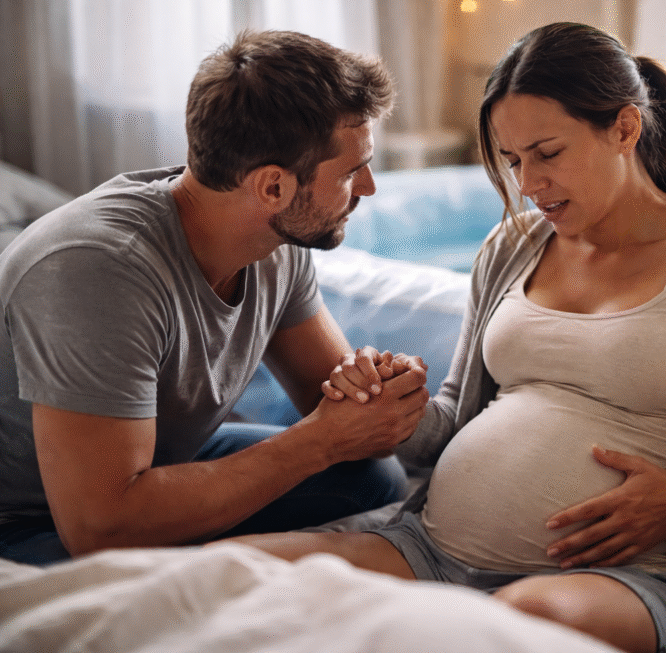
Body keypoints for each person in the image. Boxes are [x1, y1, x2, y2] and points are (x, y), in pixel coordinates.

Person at [225, 23, 666, 653]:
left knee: (512, 623)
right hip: (428, 549)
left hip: (634, 579)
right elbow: (451, 420)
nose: (528, 185)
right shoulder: (512, 247)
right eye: (513, 161)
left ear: (624, 128)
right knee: (231, 576)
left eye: (548, 153)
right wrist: (395, 412)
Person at [0, 29, 430, 566]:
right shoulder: (96, 268)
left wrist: (375, 390)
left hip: (147, 463)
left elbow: (342, 417)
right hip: (33, 517)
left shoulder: (277, 241)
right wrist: (319, 441)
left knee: (371, 477)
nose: (368, 187)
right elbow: (98, 529)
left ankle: (187, 532)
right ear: (272, 187)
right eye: (350, 170)